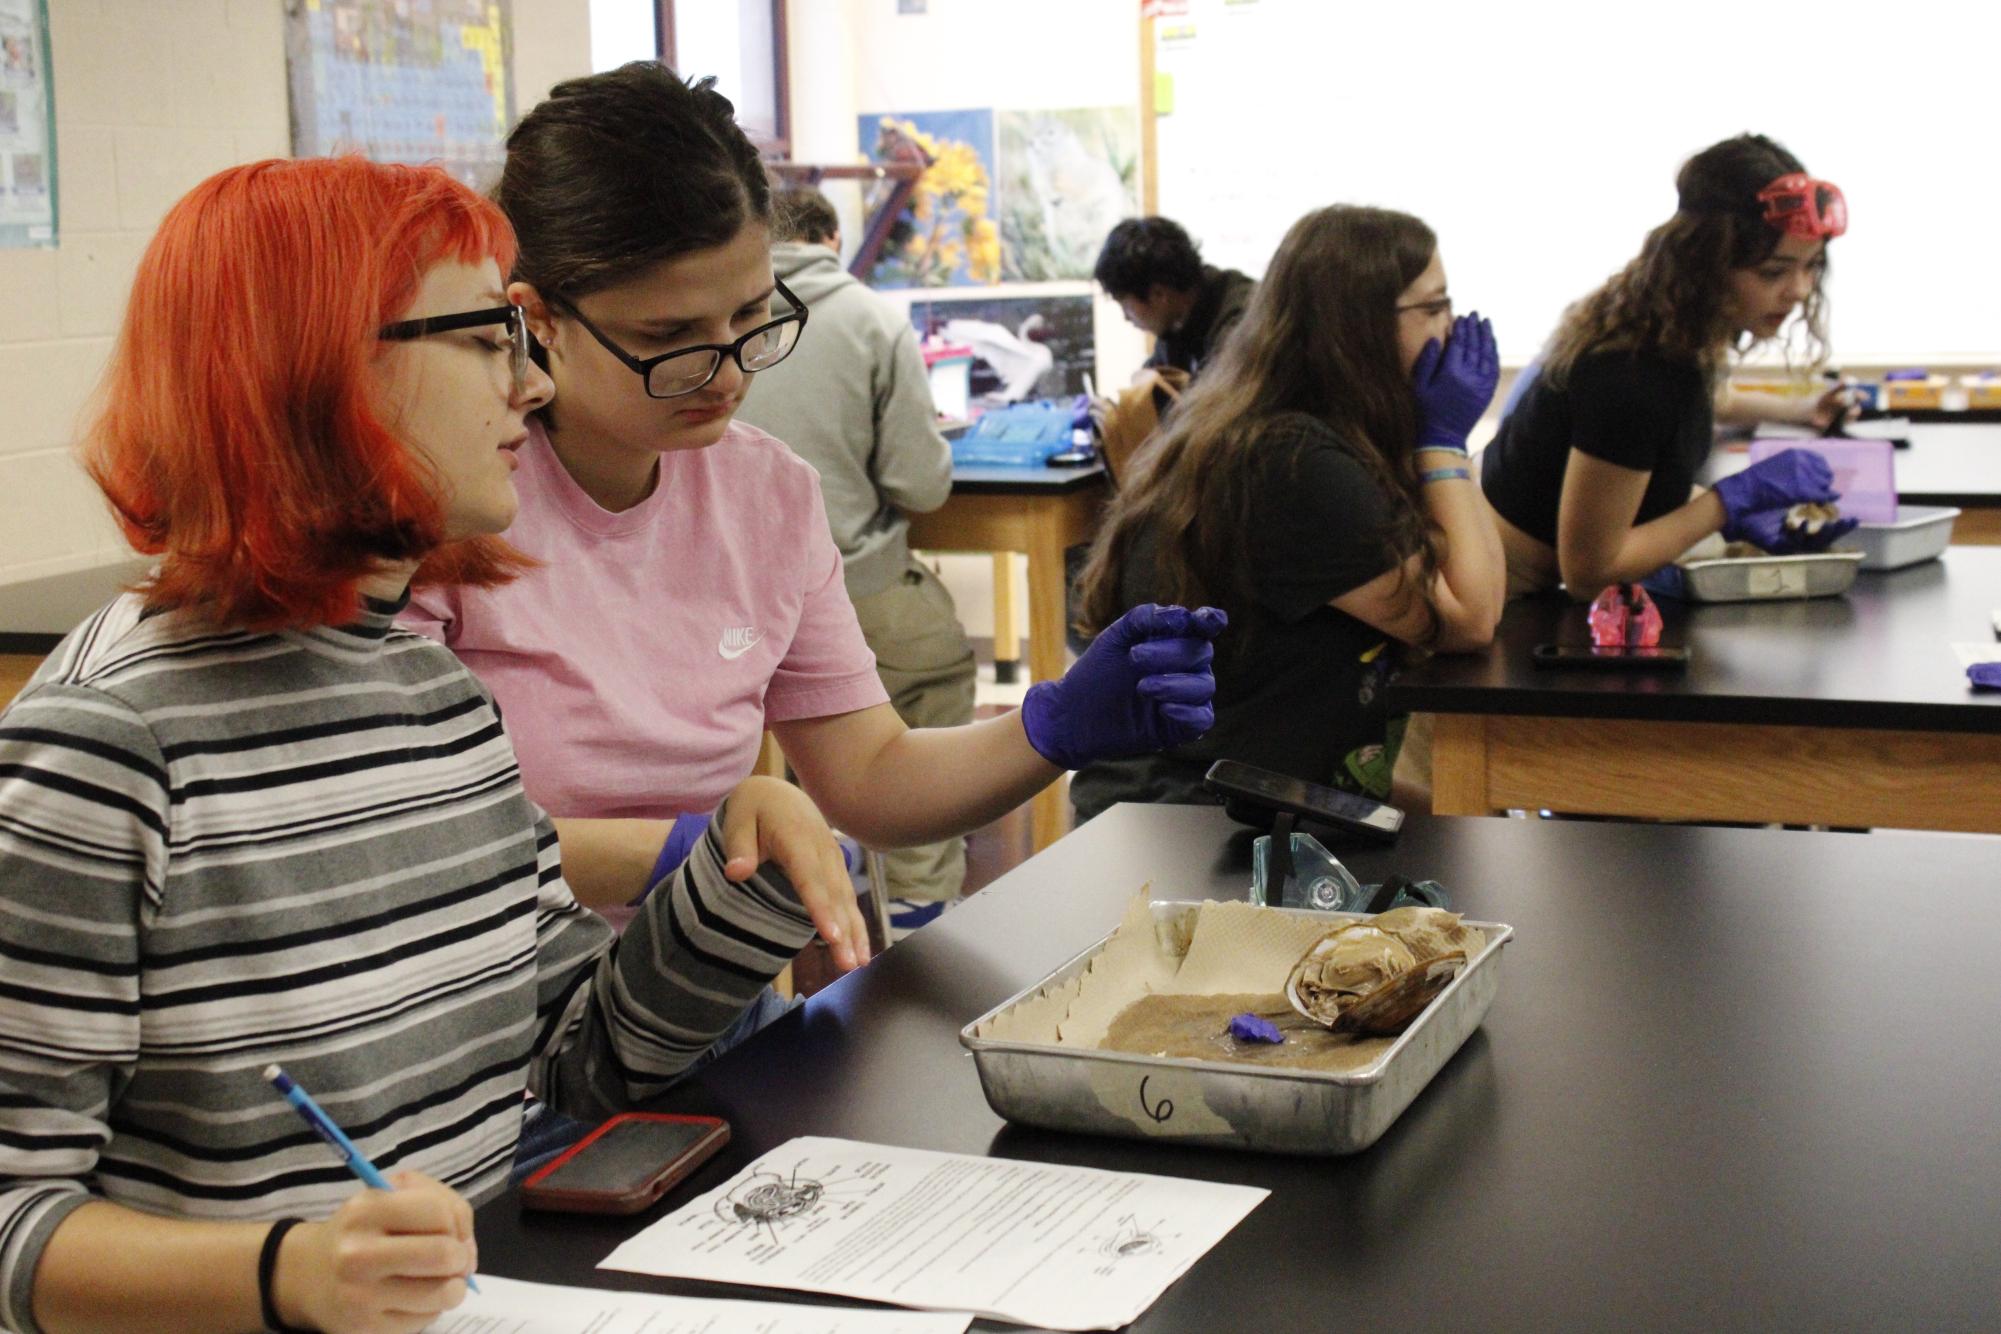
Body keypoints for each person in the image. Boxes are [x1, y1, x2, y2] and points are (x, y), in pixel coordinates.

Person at [0, 157, 853, 1334]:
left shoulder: (437, 699)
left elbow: (574, 1056)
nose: (534, 379)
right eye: (491, 333)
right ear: (322, 368)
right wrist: (284, 1273)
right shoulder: (111, 743)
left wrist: (733, 886)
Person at [401, 63, 1224, 925]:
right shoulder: (451, 506)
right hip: (495, 996)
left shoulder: (763, 494)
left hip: (687, 994)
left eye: (750, 317)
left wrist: (1047, 729)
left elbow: (867, 774)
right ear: (537, 319)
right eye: (668, 336)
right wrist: (687, 854)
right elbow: (411, 834)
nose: (724, 371)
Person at [1070, 205, 1506, 822]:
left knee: (1474, 828)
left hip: (1255, 788)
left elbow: (1476, 578)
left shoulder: (1317, 435)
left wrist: (1442, 444)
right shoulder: (1290, 461)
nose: (1452, 327)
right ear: (1362, 327)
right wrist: (1443, 445)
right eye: (1433, 307)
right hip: (1185, 817)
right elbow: (1471, 617)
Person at [733, 186, 975, 923]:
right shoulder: (870, 319)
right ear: (832, 237)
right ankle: (916, 900)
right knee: (932, 670)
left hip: (718, 599)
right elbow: (921, 486)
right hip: (850, 586)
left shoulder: (701, 325)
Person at [1479, 134, 1854, 596]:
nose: (1798, 290)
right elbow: (1589, 573)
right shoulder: (1634, 373)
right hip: (1506, 599)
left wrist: (1799, 413)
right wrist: (1726, 504)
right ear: (1708, 263)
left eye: (1811, 267)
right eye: (1773, 272)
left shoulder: (1675, 325)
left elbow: (1688, 414)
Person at [1093, 215, 1256, 379]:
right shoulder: (1176, 318)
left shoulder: (1241, 322)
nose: (1126, 317)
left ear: (1159, 294)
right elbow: (1154, 383)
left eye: (1126, 306)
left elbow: (1220, 399)